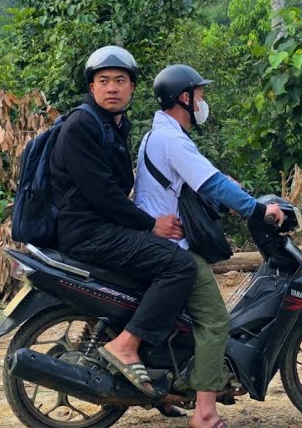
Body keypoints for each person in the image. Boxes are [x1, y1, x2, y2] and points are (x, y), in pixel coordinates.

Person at [133, 64, 283, 428]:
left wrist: (228, 190)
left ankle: (170, 389)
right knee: (216, 320)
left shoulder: (156, 135)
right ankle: (205, 415)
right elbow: (209, 182)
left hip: (156, 240)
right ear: (183, 97)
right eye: (199, 94)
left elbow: (197, 181)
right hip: (172, 249)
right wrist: (256, 209)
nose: (203, 102)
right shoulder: (175, 141)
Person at [48, 46, 196, 396]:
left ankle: (156, 379)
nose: (112, 87)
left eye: (120, 80)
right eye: (103, 81)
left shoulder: (114, 125)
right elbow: (103, 194)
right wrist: (149, 225)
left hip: (103, 227)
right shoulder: (81, 126)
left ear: (132, 87)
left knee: (154, 270)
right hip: (88, 233)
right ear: (92, 88)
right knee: (179, 266)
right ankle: (126, 345)